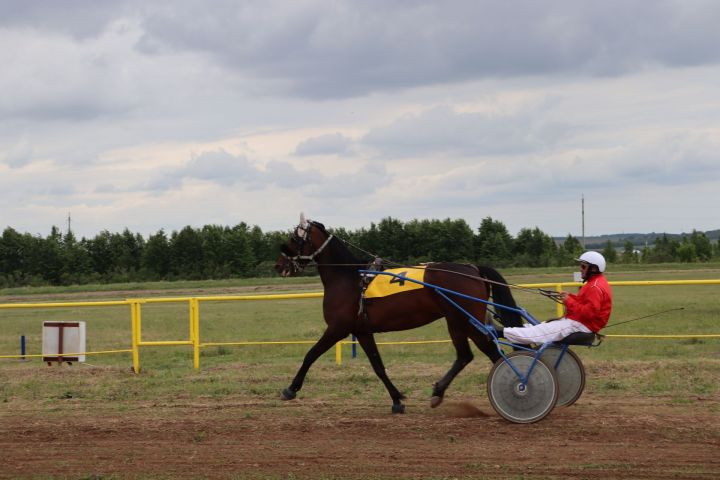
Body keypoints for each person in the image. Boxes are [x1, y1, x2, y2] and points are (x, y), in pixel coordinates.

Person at [497, 251, 612, 344]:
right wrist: (570, 297)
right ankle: (511, 329)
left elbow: (589, 313)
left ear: (593, 269)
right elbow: (585, 304)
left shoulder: (595, 287)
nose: (580, 269)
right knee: (539, 327)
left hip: (582, 325)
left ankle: (499, 332)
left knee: (537, 332)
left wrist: (569, 301)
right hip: (580, 322)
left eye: (583, 266)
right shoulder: (595, 283)